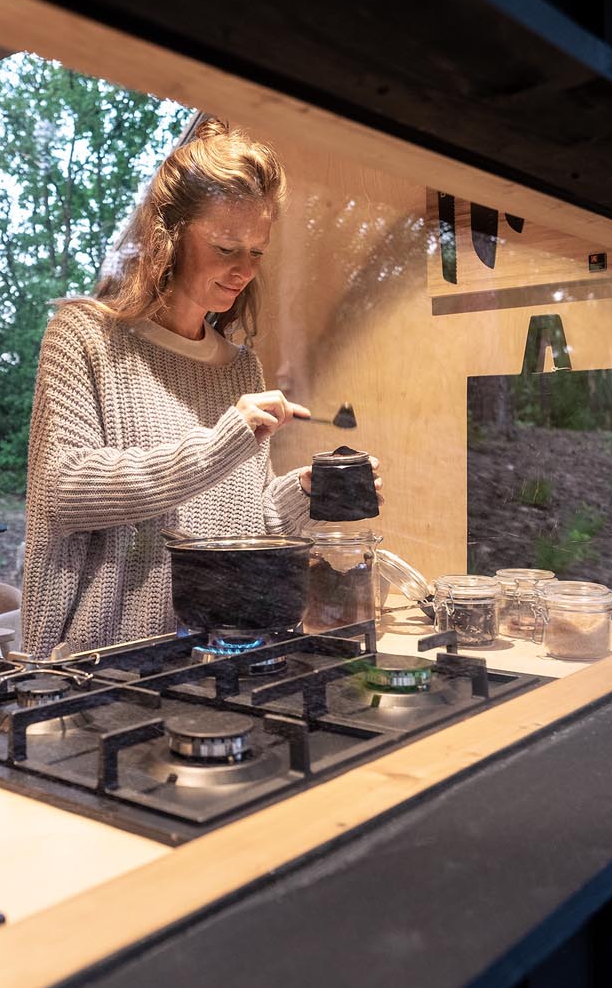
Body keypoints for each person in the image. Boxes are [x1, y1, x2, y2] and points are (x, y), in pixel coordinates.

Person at [21, 114, 378, 657]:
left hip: (211, 658)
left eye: (256, 251)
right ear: (168, 238)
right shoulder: (84, 335)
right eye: (226, 247)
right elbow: (65, 490)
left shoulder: (238, 366)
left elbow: (246, 522)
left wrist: (305, 493)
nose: (245, 270)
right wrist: (220, 442)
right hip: (101, 665)